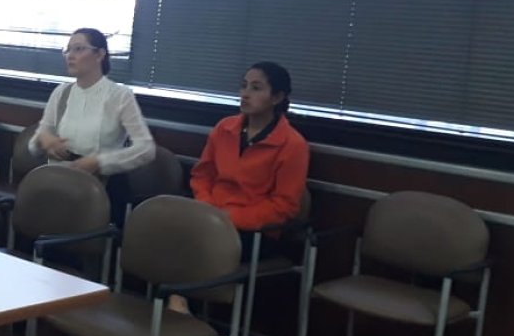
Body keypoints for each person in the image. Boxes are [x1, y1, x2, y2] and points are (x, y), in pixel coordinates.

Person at [187, 61, 309, 312]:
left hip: (255, 231)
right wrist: (207, 207)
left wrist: (230, 218)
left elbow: (284, 206)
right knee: (170, 229)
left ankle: (178, 305)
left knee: (198, 244)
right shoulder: (224, 128)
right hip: (210, 216)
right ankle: (175, 306)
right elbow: (202, 175)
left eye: (256, 88)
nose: (245, 94)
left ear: (277, 97)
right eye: (243, 86)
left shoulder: (293, 145)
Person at [30, 28, 156, 226]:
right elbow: (33, 145)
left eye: (79, 49)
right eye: (68, 50)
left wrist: (99, 162)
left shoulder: (119, 96)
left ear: (99, 54)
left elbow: (146, 149)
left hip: (98, 187)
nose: (70, 56)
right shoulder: (61, 92)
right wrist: (43, 139)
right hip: (57, 185)